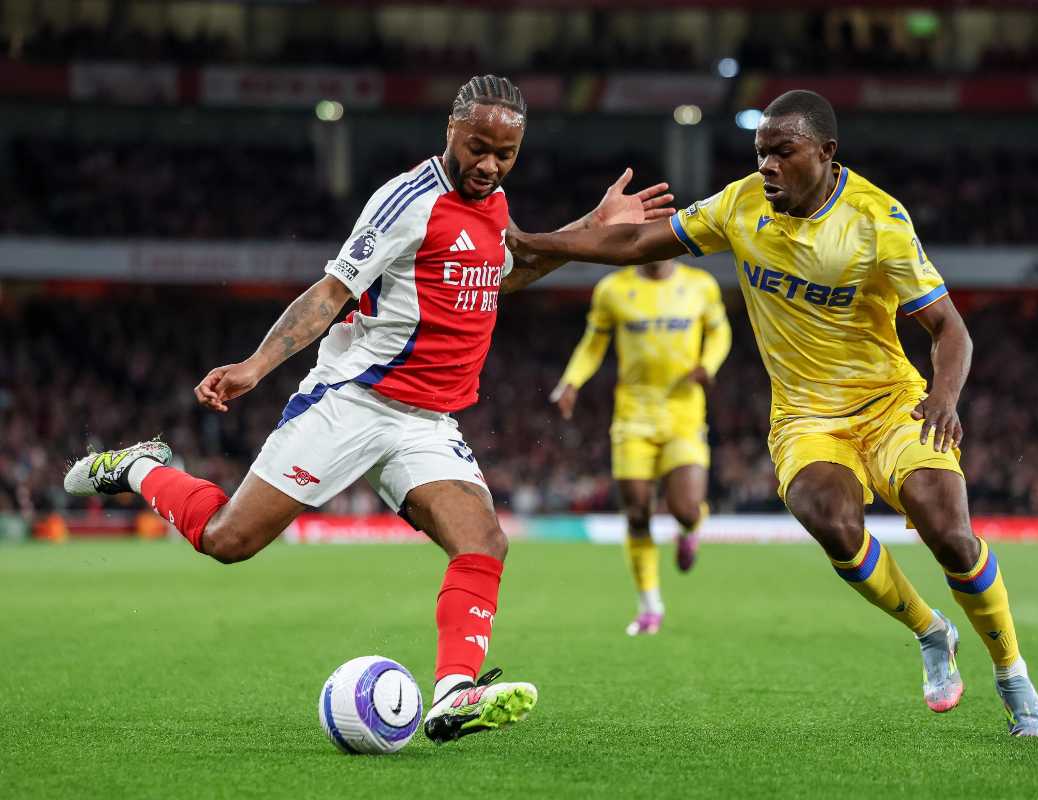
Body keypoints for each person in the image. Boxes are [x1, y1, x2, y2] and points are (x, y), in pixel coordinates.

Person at [64, 75, 675, 745]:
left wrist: (590, 227)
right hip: (353, 401)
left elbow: (509, 269)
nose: (489, 165)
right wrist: (255, 367)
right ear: (451, 130)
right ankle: (140, 467)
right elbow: (330, 294)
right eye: (478, 148)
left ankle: (454, 694)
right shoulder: (406, 200)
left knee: (483, 541)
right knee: (227, 541)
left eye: (505, 154)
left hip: (426, 422)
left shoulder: (494, 200)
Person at [507, 89, 1038, 737]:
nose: (766, 165)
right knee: (832, 522)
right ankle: (930, 630)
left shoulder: (878, 220)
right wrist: (534, 240)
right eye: (760, 152)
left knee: (950, 534)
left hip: (890, 404)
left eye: (782, 152)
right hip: (805, 418)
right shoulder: (740, 205)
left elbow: (949, 328)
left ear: (825, 153)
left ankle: (1011, 671)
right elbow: (634, 243)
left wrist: (943, 397)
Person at [552, 258, 730, 636]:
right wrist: (571, 381)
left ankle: (689, 529)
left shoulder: (700, 285)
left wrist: (708, 365)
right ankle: (650, 606)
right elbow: (593, 344)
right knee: (636, 513)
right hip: (633, 417)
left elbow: (720, 332)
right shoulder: (612, 289)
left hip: (684, 415)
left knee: (685, 509)